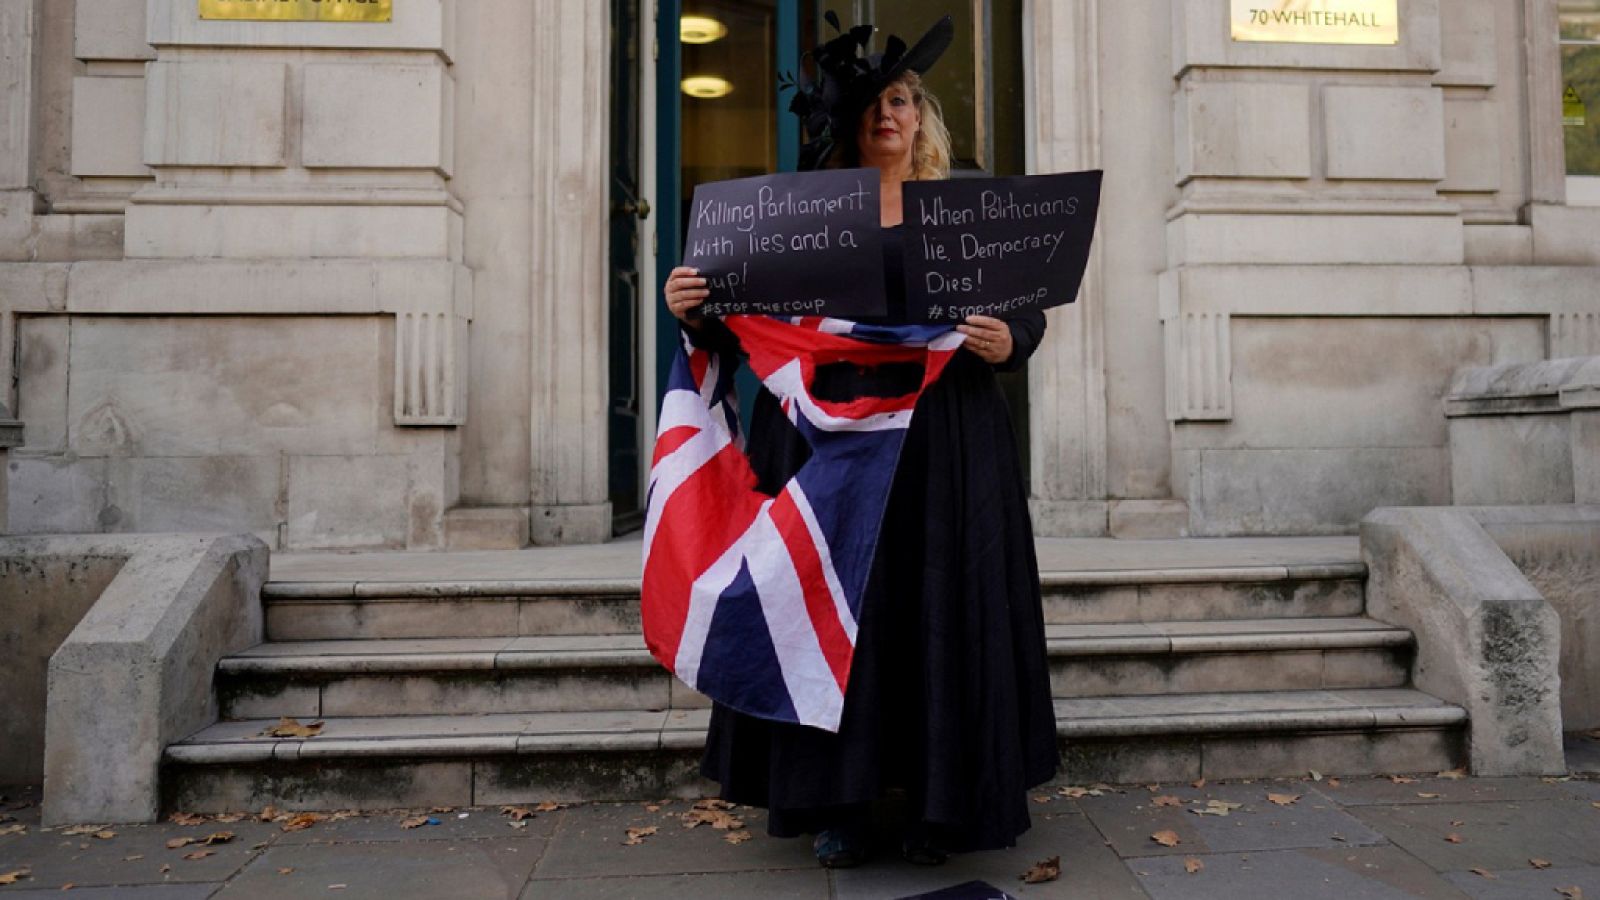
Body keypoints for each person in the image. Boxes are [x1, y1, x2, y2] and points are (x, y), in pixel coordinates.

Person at [661, 15, 1057, 868]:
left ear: (922, 118)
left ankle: (939, 807)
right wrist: (690, 306)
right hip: (824, 442)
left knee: (936, 610)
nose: (890, 114)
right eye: (874, 102)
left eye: (904, 99)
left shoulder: (965, 207)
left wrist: (1009, 340)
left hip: (944, 445)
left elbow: (1024, 310)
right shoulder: (792, 215)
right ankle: (834, 801)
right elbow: (736, 321)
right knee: (831, 611)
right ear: (845, 123)